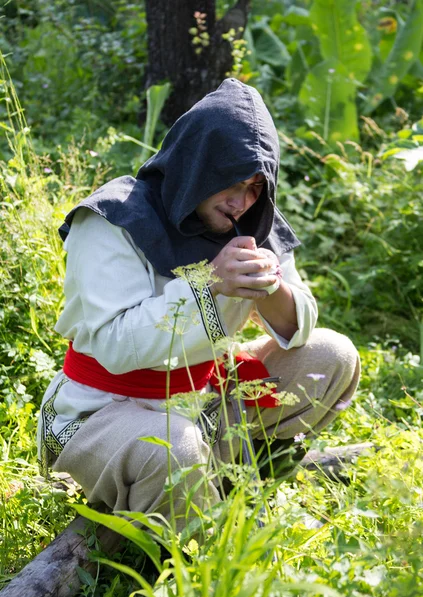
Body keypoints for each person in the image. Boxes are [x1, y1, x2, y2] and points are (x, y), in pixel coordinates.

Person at [37, 78, 360, 532]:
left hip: (203, 405)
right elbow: (112, 345)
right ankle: (194, 550)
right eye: (229, 180)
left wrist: (271, 284)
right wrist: (209, 283)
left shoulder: (251, 219)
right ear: (196, 166)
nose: (240, 201)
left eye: (253, 186)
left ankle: (244, 479)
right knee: (175, 450)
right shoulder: (113, 220)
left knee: (332, 356)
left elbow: (299, 325)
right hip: (102, 411)